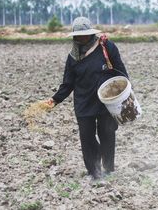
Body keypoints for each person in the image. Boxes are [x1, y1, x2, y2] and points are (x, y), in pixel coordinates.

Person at [46, 17, 129, 180]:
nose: (82, 38)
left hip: (106, 100)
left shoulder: (107, 47)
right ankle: (93, 171)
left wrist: (124, 93)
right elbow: (68, 83)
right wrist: (55, 99)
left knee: (107, 134)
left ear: (91, 34)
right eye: (78, 35)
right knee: (86, 136)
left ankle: (108, 169)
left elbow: (121, 71)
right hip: (83, 103)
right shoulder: (73, 57)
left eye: (84, 34)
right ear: (74, 36)